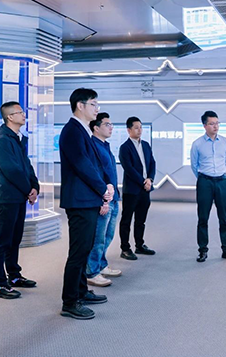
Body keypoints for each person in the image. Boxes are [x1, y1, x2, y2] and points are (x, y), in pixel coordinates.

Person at [59, 88, 113, 320]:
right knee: (78, 252)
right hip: (79, 201)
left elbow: (94, 164)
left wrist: (105, 186)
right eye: (93, 104)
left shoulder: (83, 130)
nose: (97, 109)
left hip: (87, 199)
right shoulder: (72, 130)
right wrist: (103, 188)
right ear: (80, 106)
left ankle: (81, 291)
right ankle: (70, 302)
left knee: (84, 249)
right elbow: (82, 164)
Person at [0, 101, 39, 299]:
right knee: (2, 241)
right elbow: (11, 170)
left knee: (14, 238)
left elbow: (26, 166)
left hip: (19, 196)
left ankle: (14, 275)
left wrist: (35, 187)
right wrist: (28, 190)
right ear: (10, 117)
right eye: (20, 112)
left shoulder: (17, 138)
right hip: (8, 197)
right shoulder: (3, 140)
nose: (24, 115)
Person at [190, 111, 226, 263]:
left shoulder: (225, 141)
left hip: (222, 181)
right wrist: (205, 178)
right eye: (212, 124)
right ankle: (202, 251)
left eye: (217, 123)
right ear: (204, 126)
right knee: (203, 218)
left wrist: (218, 174)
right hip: (205, 182)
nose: (215, 126)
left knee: (224, 218)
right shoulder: (197, 144)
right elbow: (194, 165)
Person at [86, 112, 122, 287]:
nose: (111, 127)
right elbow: (96, 176)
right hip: (104, 199)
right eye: (107, 124)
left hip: (113, 198)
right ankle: (91, 271)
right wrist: (104, 200)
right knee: (98, 238)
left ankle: (101, 264)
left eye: (111, 124)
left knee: (108, 236)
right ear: (96, 127)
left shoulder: (105, 146)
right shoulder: (93, 147)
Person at [118, 116, 156, 260]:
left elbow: (152, 163)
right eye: (136, 127)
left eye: (141, 127)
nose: (139, 130)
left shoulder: (146, 145)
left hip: (145, 189)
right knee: (126, 220)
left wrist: (150, 179)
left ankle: (139, 245)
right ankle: (125, 248)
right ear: (129, 130)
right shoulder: (125, 147)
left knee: (141, 220)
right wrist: (143, 181)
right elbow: (129, 169)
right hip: (132, 190)